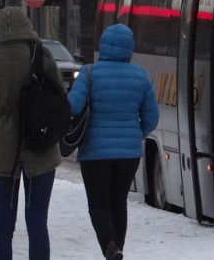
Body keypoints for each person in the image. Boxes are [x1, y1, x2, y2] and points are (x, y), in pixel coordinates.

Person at [68, 23, 159, 260]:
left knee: (99, 205)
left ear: (103, 45)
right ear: (130, 48)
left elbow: (73, 107)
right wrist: (134, 135)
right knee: (119, 203)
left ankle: (110, 246)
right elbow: (152, 118)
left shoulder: (89, 73)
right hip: (128, 155)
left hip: (94, 153)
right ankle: (118, 248)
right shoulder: (140, 76)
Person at [0, 6, 65, 260]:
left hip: (0, 151)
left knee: (2, 225)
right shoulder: (40, 56)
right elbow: (60, 98)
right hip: (40, 144)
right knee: (37, 224)